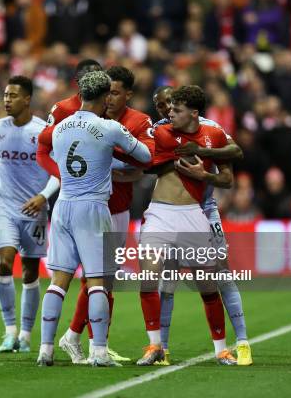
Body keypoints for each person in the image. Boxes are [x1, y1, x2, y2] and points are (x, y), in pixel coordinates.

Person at [36, 70, 151, 367]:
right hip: (93, 207)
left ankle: (45, 349)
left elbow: (44, 145)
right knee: (98, 282)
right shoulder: (109, 127)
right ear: (103, 97)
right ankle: (99, 351)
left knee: (58, 282)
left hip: (63, 206)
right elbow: (145, 156)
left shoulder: (60, 128)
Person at [150, 86, 253, 366]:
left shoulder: (209, 128)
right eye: (160, 106)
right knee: (167, 277)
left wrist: (204, 166)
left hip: (205, 211)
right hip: (173, 212)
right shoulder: (160, 131)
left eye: (169, 105)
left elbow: (234, 152)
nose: (165, 111)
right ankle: (164, 348)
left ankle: (242, 341)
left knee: (220, 273)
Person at [0, 76, 60, 353]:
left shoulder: (43, 132)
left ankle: (25, 334)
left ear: (27, 99)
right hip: (5, 208)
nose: (6, 100)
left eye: (12, 96)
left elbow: (58, 173)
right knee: (4, 263)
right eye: (5, 95)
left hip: (34, 210)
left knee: (31, 272)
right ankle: (9, 330)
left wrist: (43, 196)